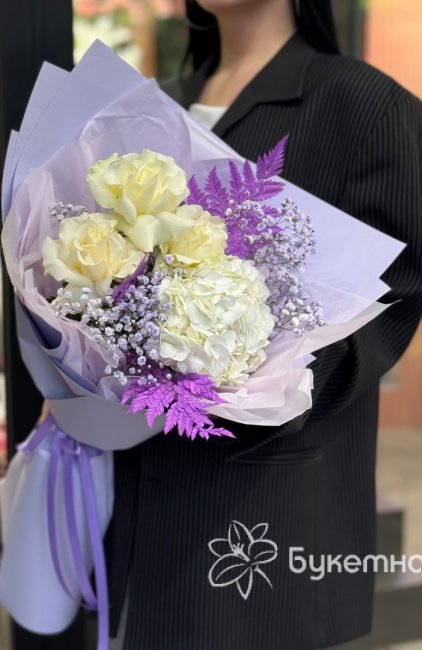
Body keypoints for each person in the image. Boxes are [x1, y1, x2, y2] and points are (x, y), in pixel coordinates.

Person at [106, 1, 422, 648]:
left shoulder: (360, 106)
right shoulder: (156, 104)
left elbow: (396, 292)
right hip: (132, 483)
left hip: (262, 499)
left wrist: (262, 383)